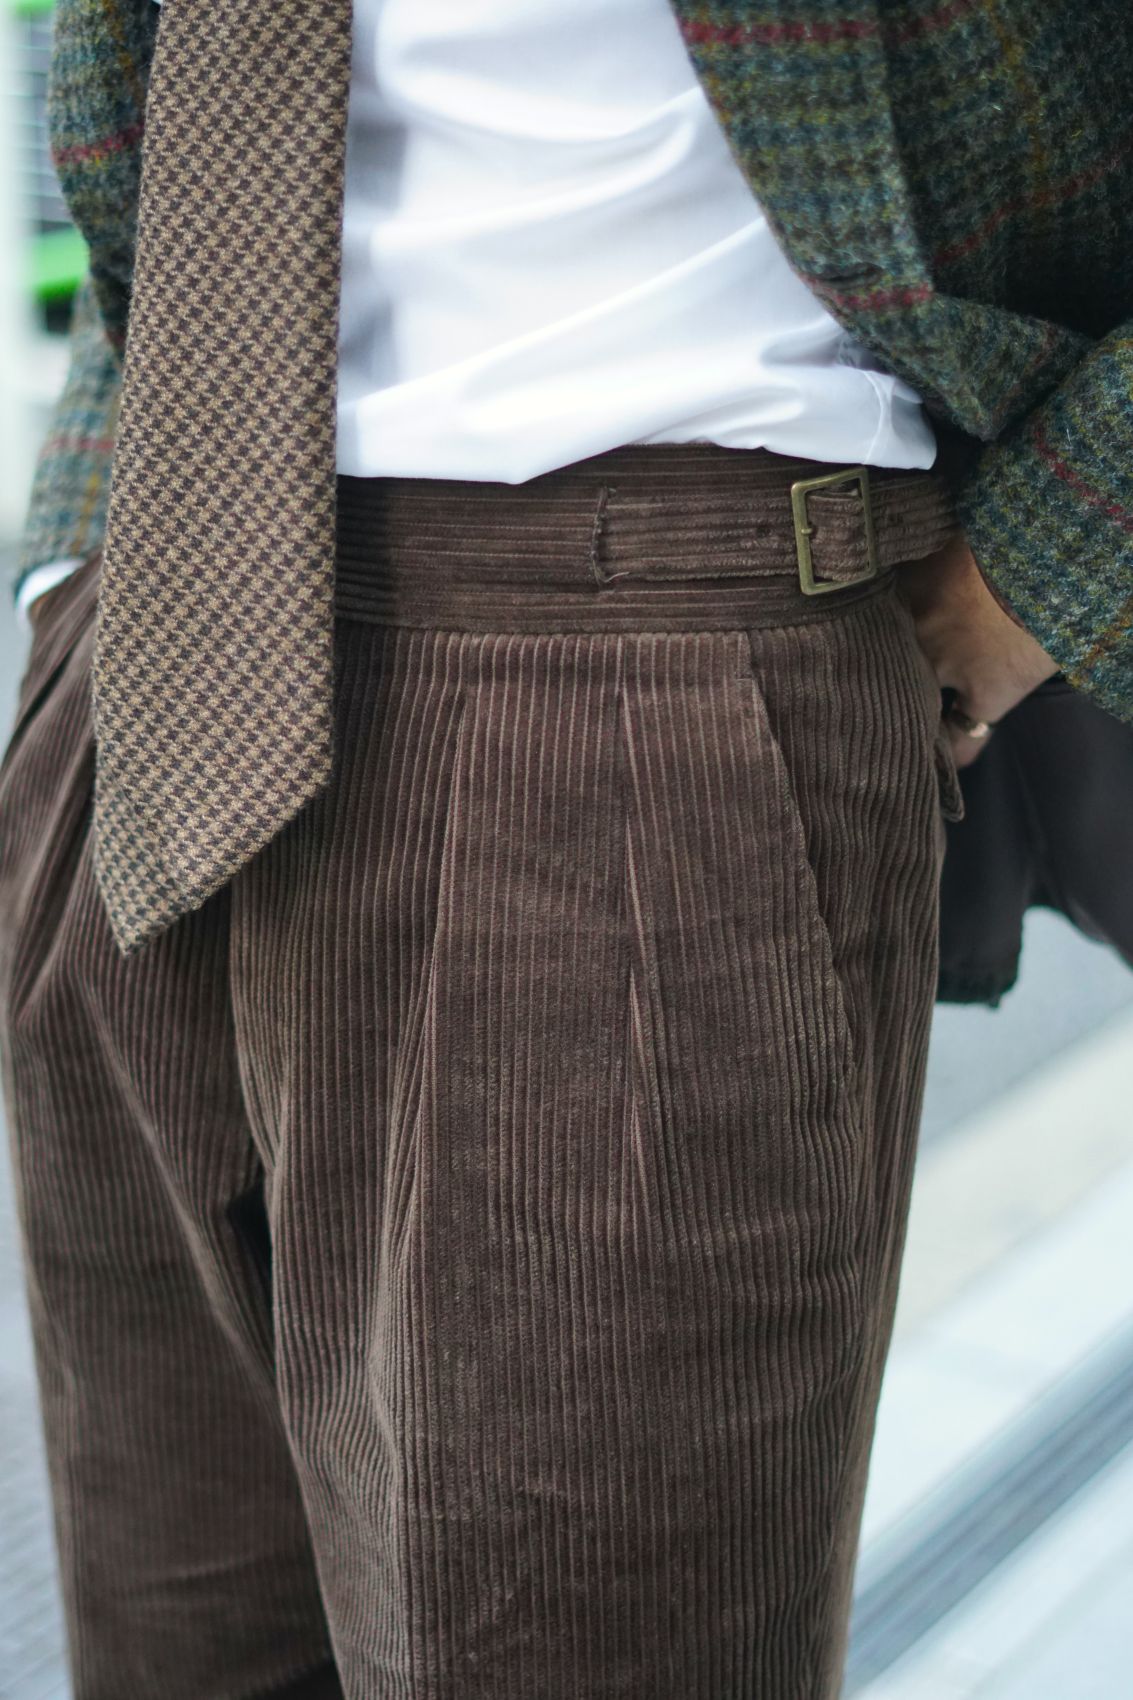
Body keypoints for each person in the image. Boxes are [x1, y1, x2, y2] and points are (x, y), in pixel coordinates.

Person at [0, 2, 1128, 1696]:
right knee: (178, 1651)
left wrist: (1036, 575)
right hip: (148, 664)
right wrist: (72, 568)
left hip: (633, 701)